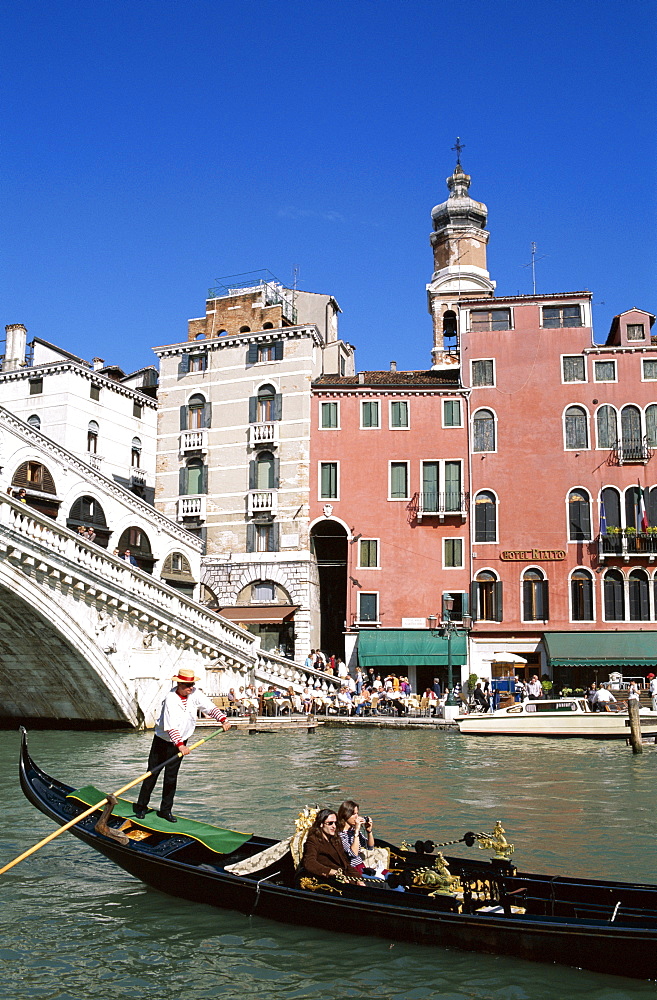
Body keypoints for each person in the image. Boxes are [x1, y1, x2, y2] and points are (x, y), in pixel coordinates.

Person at [134, 668, 231, 822]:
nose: (190, 687)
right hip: (163, 741)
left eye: (192, 684)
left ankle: (165, 810)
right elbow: (171, 726)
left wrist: (223, 719)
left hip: (181, 741)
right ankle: (141, 807)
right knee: (152, 774)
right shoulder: (170, 699)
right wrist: (180, 745)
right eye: (187, 685)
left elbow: (209, 707)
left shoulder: (195, 693)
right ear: (179, 684)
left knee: (171, 777)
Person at [301, 808, 362, 881]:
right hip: (327, 879)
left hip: (344, 877)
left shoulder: (335, 839)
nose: (334, 826)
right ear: (321, 824)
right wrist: (331, 872)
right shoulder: (313, 841)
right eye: (330, 823)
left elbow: (345, 863)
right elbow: (309, 863)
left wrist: (358, 879)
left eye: (335, 823)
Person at [336, 799, 375, 874]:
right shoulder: (339, 834)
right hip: (351, 868)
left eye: (357, 813)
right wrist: (356, 831)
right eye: (354, 814)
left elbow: (370, 847)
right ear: (346, 814)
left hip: (360, 865)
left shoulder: (353, 831)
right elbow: (353, 854)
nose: (357, 816)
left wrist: (369, 831)